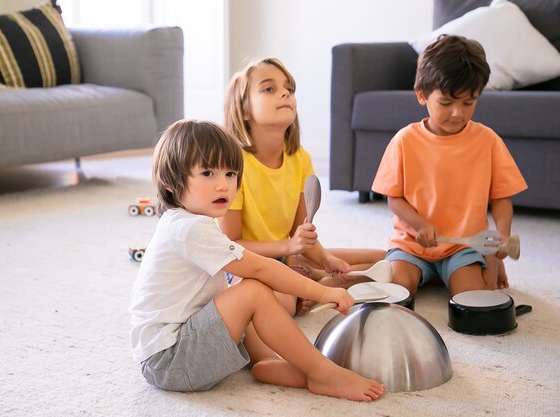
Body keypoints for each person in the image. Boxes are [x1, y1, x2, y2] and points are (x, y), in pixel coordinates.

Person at [130, 119, 384, 401]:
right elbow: (262, 267)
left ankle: (266, 362)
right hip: (170, 361)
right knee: (253, 290)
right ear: (170, 184)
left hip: (174, 350)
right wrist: (323, 291)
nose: (223, 185)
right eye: (207, 173)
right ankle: (324, 374)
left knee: (243, 284)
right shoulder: (189, 229)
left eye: (230, 173)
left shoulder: (187, 222)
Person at [219, 57, 385, 315]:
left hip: (288, 255)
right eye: (269, 89)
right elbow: (230, 245)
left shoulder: (299, 158)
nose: (285, 92)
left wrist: (325, 259)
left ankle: (312, 279)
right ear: (244, 110)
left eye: (289, 88)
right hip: (244, 264)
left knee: (384, 258)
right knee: (278, 303)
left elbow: (300, 233)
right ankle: (309, 285)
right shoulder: (233, 165)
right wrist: (290, 248)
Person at [371, 34, 527, 296]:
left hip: (463, 246)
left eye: (469, 103)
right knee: (397, 292)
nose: (458, 113)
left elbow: (501, 199)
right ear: (422, 95)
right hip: (412, 244)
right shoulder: (404, 140)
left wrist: (501, 237)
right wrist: (419, 224)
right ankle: (432, 273)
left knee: (474, 297)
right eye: (446, 103)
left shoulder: (487, 140)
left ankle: (487, 263)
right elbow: (394, 199)